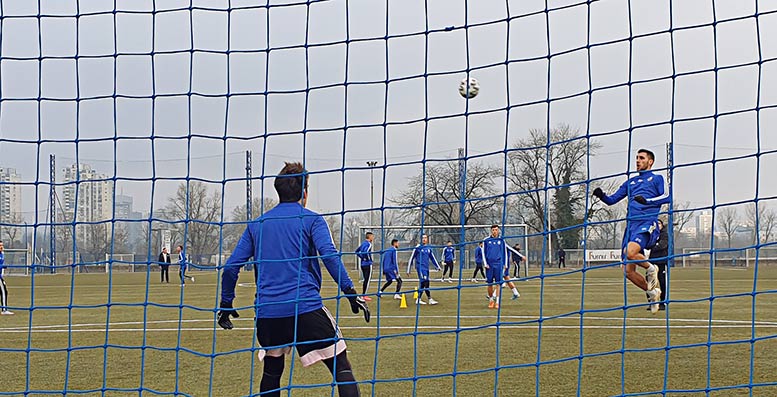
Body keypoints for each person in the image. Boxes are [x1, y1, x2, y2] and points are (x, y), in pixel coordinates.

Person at [218, 162, 369, 397]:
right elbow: (329, 256)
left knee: (272, 371)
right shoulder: (312, 220)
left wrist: (226, 303)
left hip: (268, 313)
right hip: (305, 307)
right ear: (305, 193)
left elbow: (230, 268)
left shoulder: (257, 225)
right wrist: (350, 292)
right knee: (342, 368)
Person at [593, 148, 669, 314]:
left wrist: (647, 200)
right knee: (627, 271)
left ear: (650, 162)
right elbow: (612, 200)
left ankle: (651, 268)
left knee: (630, 251)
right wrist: (602, 196)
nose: (637, 161)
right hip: (631, 227)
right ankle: (652, 292)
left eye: (641, 158)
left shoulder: (657, 179)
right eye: (636, 158)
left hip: (647, 223)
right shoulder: (630, 183)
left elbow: (667, 197)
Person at [483, 225, 521, 308]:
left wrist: (505, 265)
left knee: (498, 284)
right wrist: (485, 263)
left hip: (499, 264)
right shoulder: (486, 240)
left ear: (498, 231)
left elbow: (504, 253)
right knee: (489, 284)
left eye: (496, 230)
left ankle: (497, 302)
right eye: (493, 230)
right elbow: (484, 252)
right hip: (489, 265)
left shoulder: (502, 240)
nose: (494, 231)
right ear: (491, 231)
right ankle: (491, 301)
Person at [407, 234, 441, 305]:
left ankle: (419, 299)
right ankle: (430, 299)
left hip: (426, 268)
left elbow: (432, 258)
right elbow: (411, 258)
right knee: (426, 282)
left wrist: (437, 266)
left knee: (423, 283)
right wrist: (408, 270)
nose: (424, 239)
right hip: (420, 268)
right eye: (423, 238)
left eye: (425, 238)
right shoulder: (418, 248)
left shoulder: (428, 248)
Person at [646, 219, 669, 311]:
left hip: (661, 261)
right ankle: (651, 302)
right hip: (652, 261)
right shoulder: (652, 234)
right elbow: (647, 245)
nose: (658, 225)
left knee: (662, 282)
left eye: (659, 223)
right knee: (649, 282)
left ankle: (662, 302)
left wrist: (654, 245)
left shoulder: (664, 235)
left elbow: (662, 245)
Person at [355, 232, 374, 301]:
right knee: (367, 280)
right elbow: (366, 252)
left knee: (365, 280)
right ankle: (364, 295)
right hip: (367, 264)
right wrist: (368, 259)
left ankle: (363, 295)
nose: (373, 238)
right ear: (369, 237)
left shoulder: (363, 243)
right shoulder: (369, 244)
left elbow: (356, 251)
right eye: (372, 236)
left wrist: (362, 258)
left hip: (362, 264)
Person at [0, 241, 12, 315]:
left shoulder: (2, 254)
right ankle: (4, 310)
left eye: (2, 245)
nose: (1, 247)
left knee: (4, 291)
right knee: (3, 291)